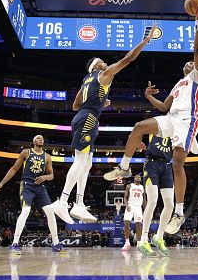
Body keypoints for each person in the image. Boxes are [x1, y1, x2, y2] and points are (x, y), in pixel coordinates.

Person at [104, 5, 198, 235]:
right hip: (171, 118)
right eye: (188, 64)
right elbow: (164, 107)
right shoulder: (179, 84)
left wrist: (197, 22)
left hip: (187, 122)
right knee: (139, 127)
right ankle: (123, 167)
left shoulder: (197, 78)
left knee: (177, 164)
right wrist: (150, 97)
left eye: (193, 63)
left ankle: (179, 213)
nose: (191, 64)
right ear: (184, 69)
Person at [50, 26, 157, 224]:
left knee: (87, 162)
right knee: (81, 162)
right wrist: (146, 40)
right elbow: (128, 59)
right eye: (101, 61)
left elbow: (75, 105)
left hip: (84, 116)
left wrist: (98, 102)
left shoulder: (86, 80)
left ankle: (79, 204)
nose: (105, 62)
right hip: (88, 118)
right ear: (96, 66)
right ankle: (63, 202)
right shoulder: (104, 74)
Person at [0, 135, 65, 254]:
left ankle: (56, 243)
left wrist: (44, 177)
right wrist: (1, 183)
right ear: (33, 141)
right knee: (26, 211)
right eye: (38, 138)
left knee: (50, 212)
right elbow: (14, 169)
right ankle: (15, 243)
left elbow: (51, 175)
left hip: (40, 187)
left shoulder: (47, 157)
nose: (41, 139)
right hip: (27, 185)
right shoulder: (26, 152)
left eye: (42, 138)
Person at [135, 134, 174, 257]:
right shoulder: (156, 123)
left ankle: (159, 237)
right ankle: (143, 241)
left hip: (167, 166)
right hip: (151, 164)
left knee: (170, 205)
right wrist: (139, 140)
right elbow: (138, 129)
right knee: (152, 201)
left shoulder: (176, 127)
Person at [122, 174, 145, 251]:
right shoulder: (129, 186)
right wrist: (127, 205)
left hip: (138, 207)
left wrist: (145, 209)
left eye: (139, 177)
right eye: (136, 176)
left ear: (141, 180)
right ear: (134, 178)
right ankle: (127, 243)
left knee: (138, 225)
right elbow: (125, 197)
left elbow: (144, 200)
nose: (138, 177)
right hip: (130, 206)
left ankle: (138, 244)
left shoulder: (142, 187)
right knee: (126, 223)